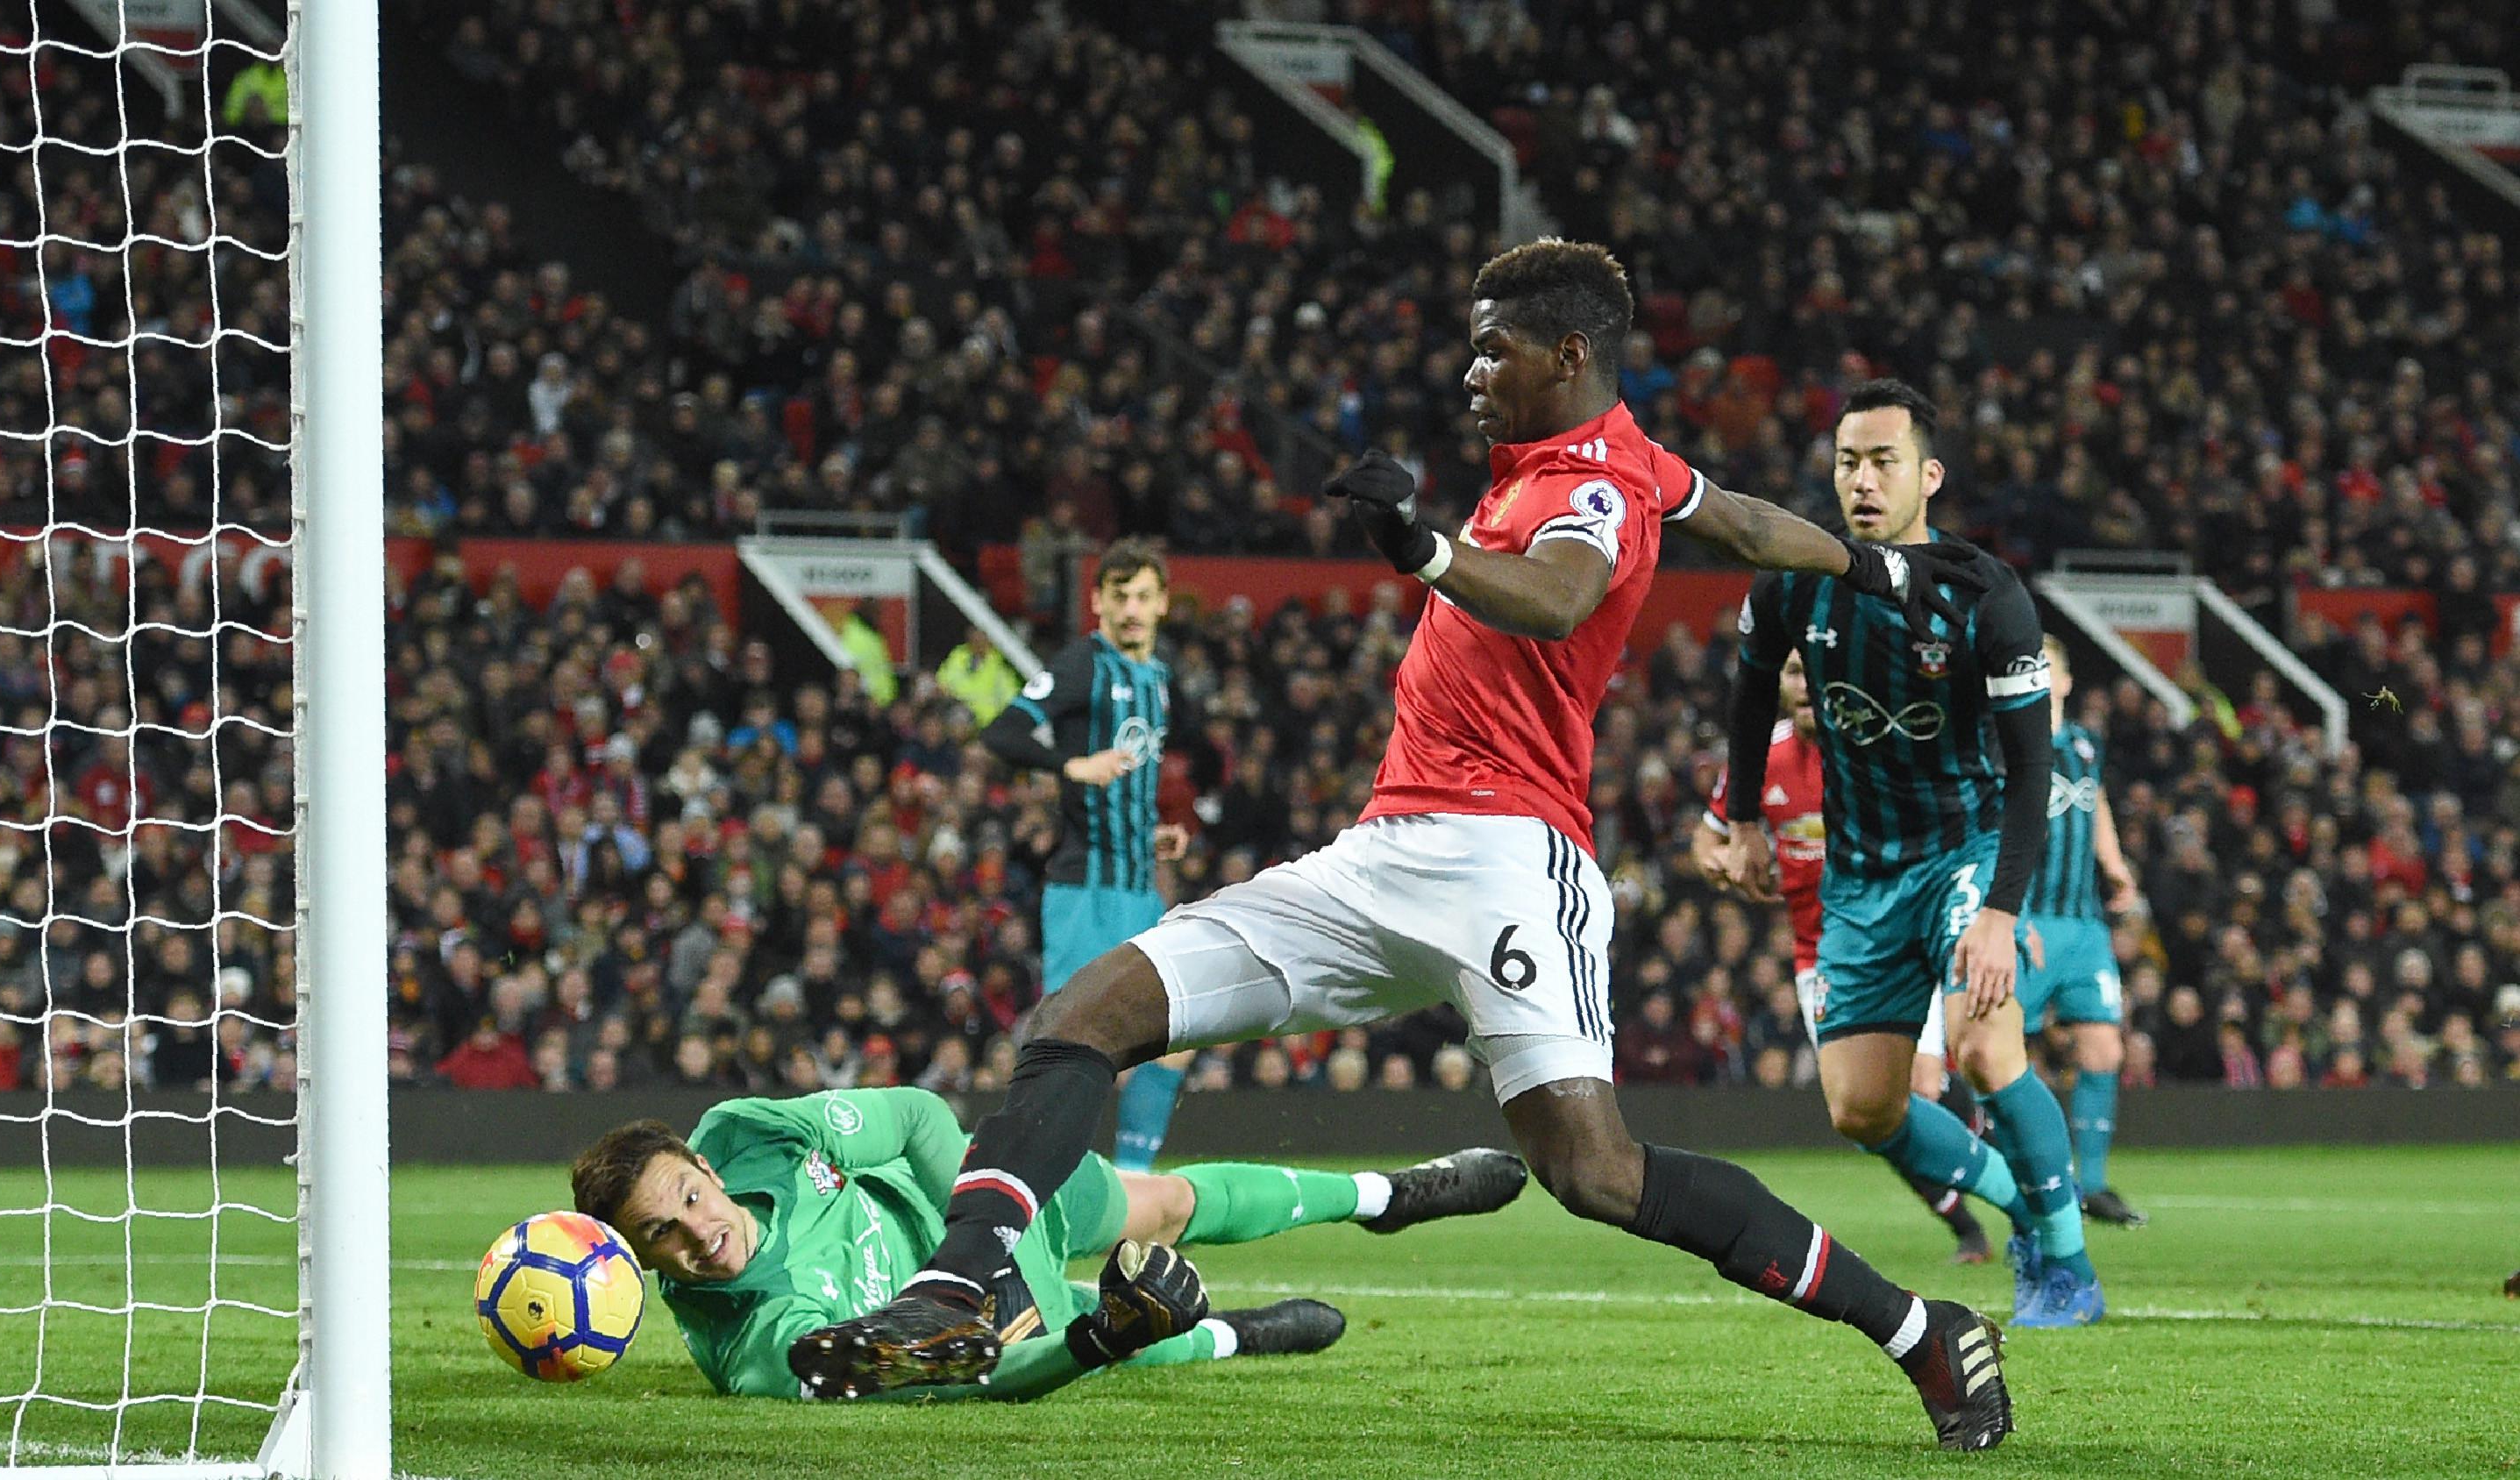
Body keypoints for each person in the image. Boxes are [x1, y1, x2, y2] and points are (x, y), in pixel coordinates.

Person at [791, 239, 2015, 1452]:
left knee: (1595, 1173)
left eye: (1495, 347)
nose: (1470, 370)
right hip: (1381, 851)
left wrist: (1421, 547)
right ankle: (957, 1290)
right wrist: (1870, 562)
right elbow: (1743, 520)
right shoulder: (1623, 462)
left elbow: (1559, 598)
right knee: (1080, 1016)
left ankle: (1923, 1330)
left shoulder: (1593, 483)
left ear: (1570, 353)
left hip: (1509, 861)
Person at [1713, 379, 2104, 1330]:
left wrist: (2001, 912)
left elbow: (2029, 766)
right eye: (1848, 460)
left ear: (1927, 474)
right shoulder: (1791, 582)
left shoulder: (1984, 595)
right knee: (1861, 1110)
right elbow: (1751, 689)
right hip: (1861, 874)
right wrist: (1746, 820)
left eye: (1883, 459)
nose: (1862, 478)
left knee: (1980, 1045)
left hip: (1964, 851)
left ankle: (2067, 1268)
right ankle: (2027, 1201)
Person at [567, 1086, 1529, 1399]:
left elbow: (912, 1116)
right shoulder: (764, 1342)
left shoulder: (750, 1132)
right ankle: (1241, 1332)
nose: (705, 1230)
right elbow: (969, 1376)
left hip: (984, 1207)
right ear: (640, 1265)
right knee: (1139, 1320)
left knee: (1163, 1202)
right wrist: (1090, 1342)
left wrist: (986, 1232)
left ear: (702, 1160)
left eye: (692, 1196)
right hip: (1002, 1314)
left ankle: (1388, 1194)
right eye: (667, 1235)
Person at [1691, 651, 1996, 1264]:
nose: (1804, 685)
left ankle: (2009, 1171)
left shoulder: (1877, 748)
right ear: (1779, 686)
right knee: (1863, 1114)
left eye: (1813, 671)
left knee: (1922, 1083)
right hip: (1819, 957)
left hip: (1900, 942)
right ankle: (1968, 1222)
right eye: (1793, 673)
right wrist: (1719, 861)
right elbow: (1709, 835)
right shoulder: (1759, 760)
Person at [981, 539, 1197, 1172]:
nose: (1131, 609)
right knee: (1072, 1048)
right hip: (1085, 892)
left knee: (1178, 1036)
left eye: (1143, 597)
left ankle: (1131, 1182)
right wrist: (1069, 764)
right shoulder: (1082, 665)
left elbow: (1128, 781)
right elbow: (1004, 732)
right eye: (1119, 596)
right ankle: (1023, 1177)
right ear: (1098, 601)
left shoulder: (1159, 679)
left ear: (1162, 604)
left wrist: (1149, 833)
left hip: (1138, 886)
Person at [2022, 636, 2146, 1227]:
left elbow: (2095, 807)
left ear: (2066, 682)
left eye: (2049, 669)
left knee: (2103, 1047)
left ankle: (2092, 1183)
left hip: (2084, 923)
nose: (2040, 678)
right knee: (2006, 1056)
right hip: (2024, 919)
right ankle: (2029, 1180)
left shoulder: (2085, 746)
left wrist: (2115, 864)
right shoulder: (2007, 743)